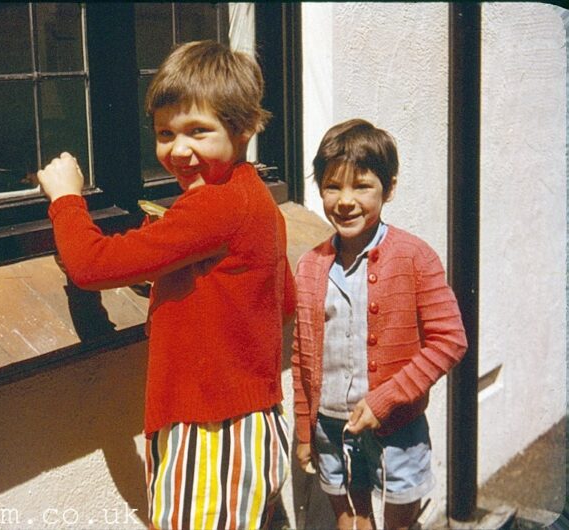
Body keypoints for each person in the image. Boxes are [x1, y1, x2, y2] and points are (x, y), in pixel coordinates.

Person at [37, 40, 295, 529]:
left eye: (198, 131)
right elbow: (282, 300)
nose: (178, 150)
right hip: (250, 425)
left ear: (242, 130)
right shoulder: (255, 197)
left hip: (210, 431)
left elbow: (92, 264)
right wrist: (181, 281)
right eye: (164, 133)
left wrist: (66, 199)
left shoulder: (214, 205)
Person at [291, 119, 467, 530]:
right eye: (333, 186)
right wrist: (304, 431)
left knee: (399, 524)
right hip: (331, 430)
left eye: (362, 186)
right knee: (351, 521)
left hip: (396, 430)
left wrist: (385, 400)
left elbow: (449, 341)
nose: (345, 201)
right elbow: (302, 354)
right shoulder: (311, 265)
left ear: (388, 188)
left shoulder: (413, 256)